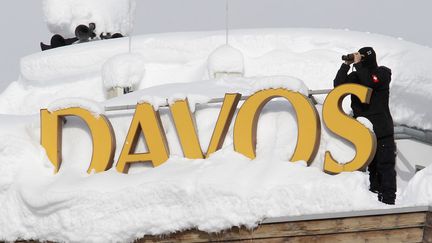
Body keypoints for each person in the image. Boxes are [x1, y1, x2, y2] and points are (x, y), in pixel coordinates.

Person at [333, 47, 397, 205]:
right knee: (370, 170)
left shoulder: (383, 73)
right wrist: (346, 65)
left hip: (382, 131)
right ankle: (373, 202)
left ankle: (388, 202)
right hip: (363, 132)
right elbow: (338, 86)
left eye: (360, 57)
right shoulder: (356, 75)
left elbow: (370, 82)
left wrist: (359, 65)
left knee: (385, 167)